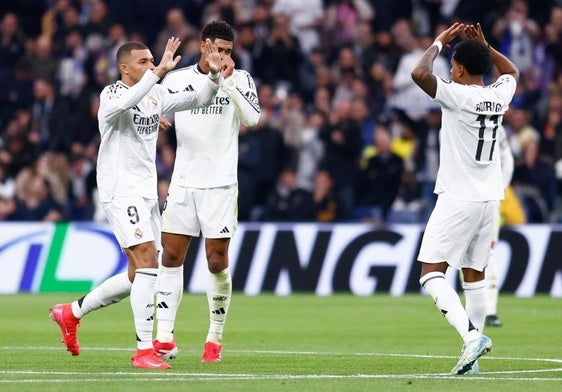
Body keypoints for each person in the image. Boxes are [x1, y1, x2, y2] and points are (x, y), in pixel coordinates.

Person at [49, 36, 224, 369]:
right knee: (146, 262)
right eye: (143, 62)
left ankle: (71, 313)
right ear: (123, 68)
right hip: (120, 190)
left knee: (141, 273)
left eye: (151, 60)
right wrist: (156, 75)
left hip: (145, 193)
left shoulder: (153, 94)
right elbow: (125, 103)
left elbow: (197, 98)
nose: (150, 65)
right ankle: (144, 350)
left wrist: (213, 77)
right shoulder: (111, 94)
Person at [411, 22, 519, 375]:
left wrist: (439, 42)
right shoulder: (499, 94)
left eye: (453, 65)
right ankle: (472, 359)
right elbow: (512, 71)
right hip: (490, 199)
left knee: (431, 273)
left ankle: (471, 337)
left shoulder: (457, 95)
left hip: (459, 197)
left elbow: (418, 72)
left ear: (457, 68)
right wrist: (486, 48)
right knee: (474, 275)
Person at [153, 20, 260, 363]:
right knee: (170, 257)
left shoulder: (240, 79)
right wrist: (155, 115)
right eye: (218, 49)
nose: (223, 56)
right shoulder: (179, 78)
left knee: (216, 261)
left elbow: (252, 119)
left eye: (229, 51)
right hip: (184, 181)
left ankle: (214, 338)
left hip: (220, 183)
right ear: (203, 46)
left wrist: (225, 80)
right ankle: (164, 337)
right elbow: (153, 102)